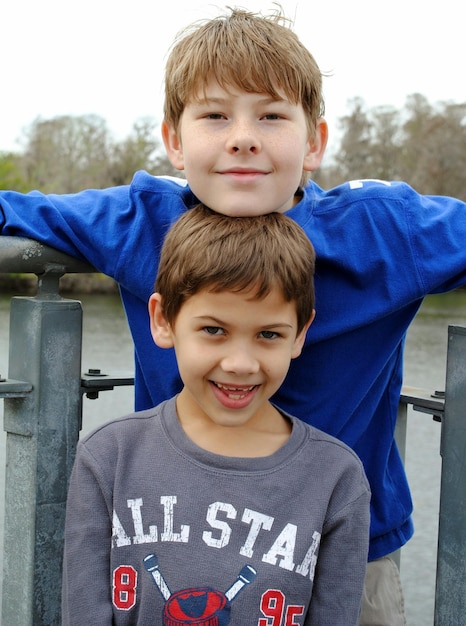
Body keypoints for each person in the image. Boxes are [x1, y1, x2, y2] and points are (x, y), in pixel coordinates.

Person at [1, 6, 465, 624]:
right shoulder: (143, 221)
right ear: (173, 139)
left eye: (272, 116)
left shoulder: (385, 233)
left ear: (315, 142)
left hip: (345, 553)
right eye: (215, 115)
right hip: (167, 540)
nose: (242, 136)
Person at [61, 204, 371, 625]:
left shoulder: (337, 478)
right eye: (214, 330)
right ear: (163, 320)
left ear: (299, 334)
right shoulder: (109, 456)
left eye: (268, 334)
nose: (240, 363)